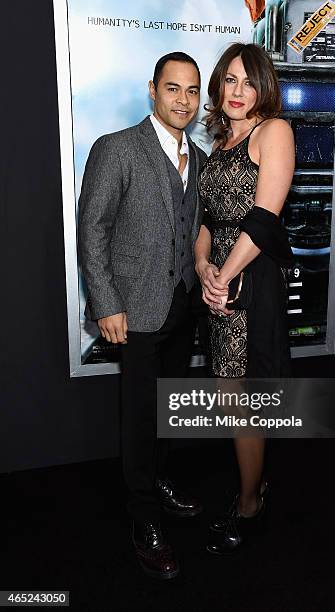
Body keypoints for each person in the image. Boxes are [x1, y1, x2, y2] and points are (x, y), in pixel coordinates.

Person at [78, 52, 207, 579]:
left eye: (192, 91)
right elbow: (93, 228)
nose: (183, 100)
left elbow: (192, 226)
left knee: (169, 408)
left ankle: (160, 482)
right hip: (133, 312)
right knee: (139, 416)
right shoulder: (117, 149)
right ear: (152, 90)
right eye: (173, 89)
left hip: (181, 304)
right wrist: (107, 303)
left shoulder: (196, 158)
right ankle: (143, 517)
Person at [195, 42, 294, 554]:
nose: (237, 91)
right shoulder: (218, 144)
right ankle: (251, 484)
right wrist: (202, 265)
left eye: (248, 81)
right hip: (222, 281)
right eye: (229, 80)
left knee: (243, 398)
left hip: (252, 282)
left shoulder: (272, 131)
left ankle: (251, 501)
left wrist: (226, 277)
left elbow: (263, 218)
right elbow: (209, 221)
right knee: (229, 392)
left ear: (264, 87)